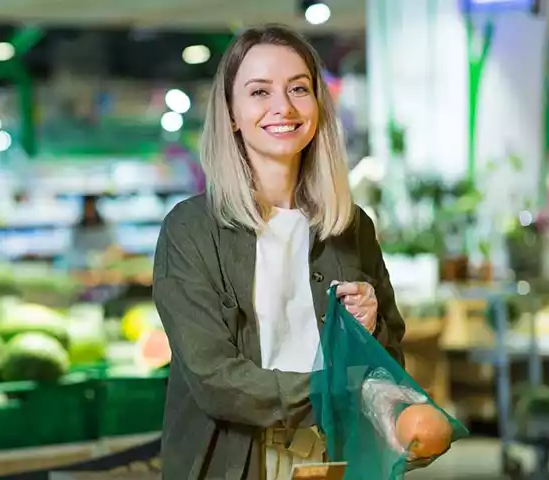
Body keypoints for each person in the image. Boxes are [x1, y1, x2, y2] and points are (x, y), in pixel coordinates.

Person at [152, 25, 409, 479]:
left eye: (298, 89)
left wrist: (371, 332)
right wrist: (337, 392)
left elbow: (389, 364)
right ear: (231, 113)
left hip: (334, 457)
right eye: (258, 91)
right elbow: (214, 380)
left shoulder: (352, 227)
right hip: (230, 462)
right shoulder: (190, 229)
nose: (282, 107)